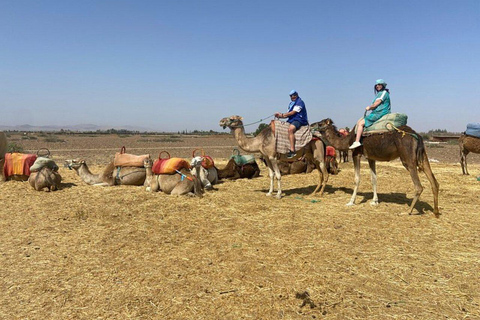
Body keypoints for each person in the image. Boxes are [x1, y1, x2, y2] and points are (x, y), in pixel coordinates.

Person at [349, 79, 391, 149]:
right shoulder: (379, 93)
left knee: (361, 123)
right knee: (359, 122)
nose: (377, 86)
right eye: (377, 85)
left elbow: (377, 103)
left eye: (379, 84)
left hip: (380, 112)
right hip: (377, 112)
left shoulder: (383, 93)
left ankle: (357, 141)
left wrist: (370, 107)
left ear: (383, 86)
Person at [275, 90, 309, 158]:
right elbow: (287, 115)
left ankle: (292, 150)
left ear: (297, 95)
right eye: (291, 96)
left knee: (290, 130)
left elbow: (292, 113)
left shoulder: (300, 102)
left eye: (294, 95)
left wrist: (281, 114)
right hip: (291, 120)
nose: (292, 97)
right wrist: (280, 116)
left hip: (299, 120)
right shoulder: (291, 104)